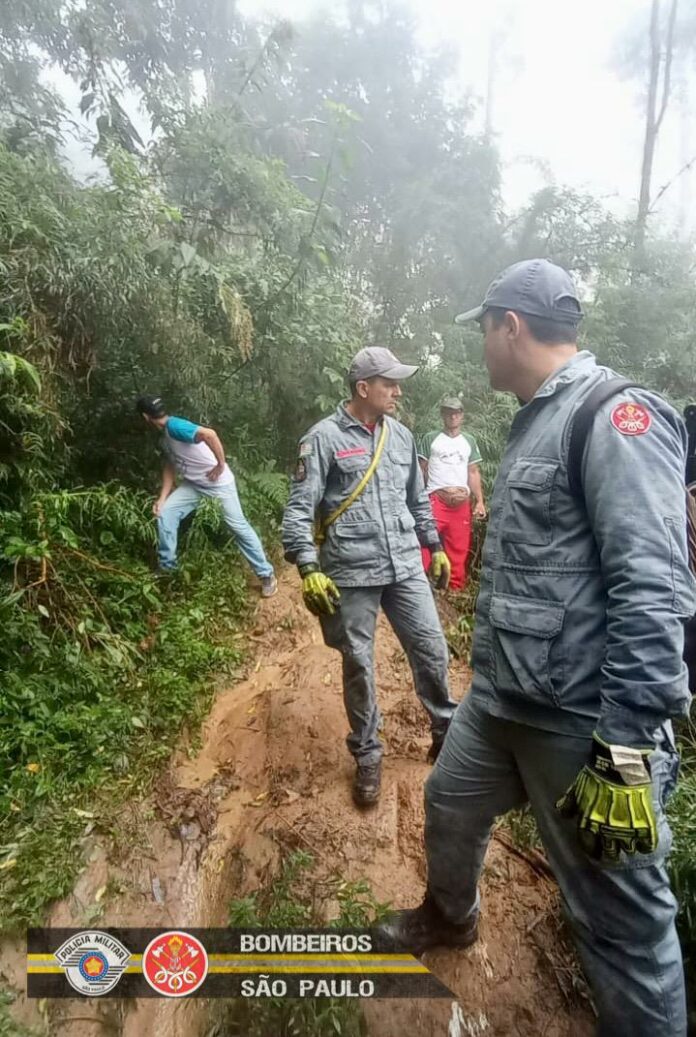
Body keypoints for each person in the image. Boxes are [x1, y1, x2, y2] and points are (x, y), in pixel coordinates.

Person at [377, 259, 696, 1037]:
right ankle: (451, 916)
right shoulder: (532, 419)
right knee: (448, 803)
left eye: (483, 331)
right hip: (499, 697)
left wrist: (623, 746)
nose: (480, 349)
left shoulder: (617, 416)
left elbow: (653, 590)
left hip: (582, 722)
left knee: (620, 924)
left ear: (508, 326)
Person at [282, 347, 457, 807]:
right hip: (350, 569)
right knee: (358, 661)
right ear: (364, 389)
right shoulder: (322, 439)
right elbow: (300, 509)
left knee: (432, 649)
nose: (398, 391)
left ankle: (446, 729)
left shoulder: (401, 437)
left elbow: (417, 499)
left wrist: (434, 545)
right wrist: (307, 567)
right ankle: (367, 753)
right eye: (390, 384)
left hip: (403, 563)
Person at [136, 395, 277, 597]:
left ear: (144, 417)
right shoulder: (164, 436)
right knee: (165, 512)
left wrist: (221, 464)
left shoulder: (175, 426)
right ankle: (167, 570)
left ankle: (266, 574)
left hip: (218, 484)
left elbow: (209, 434)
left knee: (238, 526)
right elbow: (169, 466)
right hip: (194, 485)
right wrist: (162, 498)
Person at [418, 397, 486, 591]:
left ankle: (454, 592)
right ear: (443, 415)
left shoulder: (469, 441)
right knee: (423, 540)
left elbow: (473, 472)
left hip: (460, 504)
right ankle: (419, 585)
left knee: (459, 548)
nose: (453, 416)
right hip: (436, 499)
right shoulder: (431, 438)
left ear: (462, 415)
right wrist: (418, 498)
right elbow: (421, 469)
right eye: (449, 412)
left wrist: (480, 501)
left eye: (456, 412)